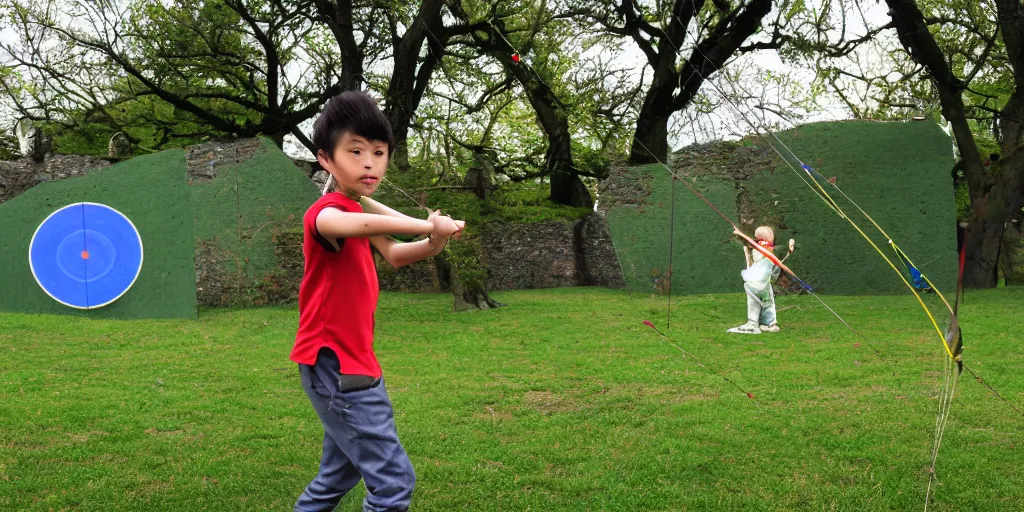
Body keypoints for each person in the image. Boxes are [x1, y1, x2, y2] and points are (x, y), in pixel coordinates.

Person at [290, 90, 463, 512]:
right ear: (326, 159)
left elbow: (397, 253)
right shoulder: (327, 214)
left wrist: (434, 240)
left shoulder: (354, 208)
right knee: (393, 484)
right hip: (334, 363)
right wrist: (427, 221)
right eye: (355, 151)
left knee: (340, 472)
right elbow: (356, 222)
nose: (370, 163)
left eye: (379, 152)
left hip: (354, 360)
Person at [727, 226, 781, 335]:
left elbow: (751, 243)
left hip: (758, 281)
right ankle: (768, 324)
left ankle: (757, 323)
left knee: (757, 302)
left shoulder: (761, 247)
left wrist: (740, 234)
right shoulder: (763, 247)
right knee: (767, 302)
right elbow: (752, 244)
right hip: (761, 281)